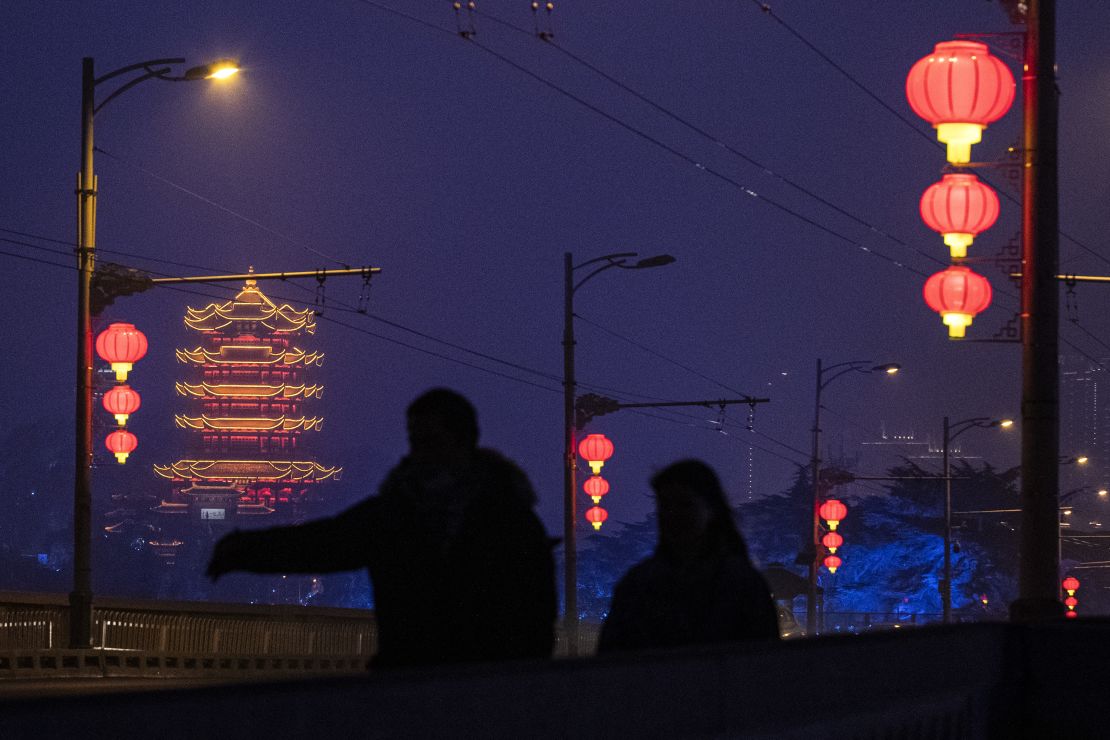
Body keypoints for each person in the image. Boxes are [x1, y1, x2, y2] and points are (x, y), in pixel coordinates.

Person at [207, 388, 557, 668]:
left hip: (479, 685)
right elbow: (328, 542)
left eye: (429, 441)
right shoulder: (399, 511)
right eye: (414, 441)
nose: (419, 453)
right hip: (412, 684)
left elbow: (536, 614)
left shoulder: (507, 519)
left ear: (463, 441)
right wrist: (244, 549)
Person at [597, 459, 778, 653]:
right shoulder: (638, 585)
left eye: (685, 505)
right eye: (666, 506)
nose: (673, 515)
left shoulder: (741, 583)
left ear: (711, 510)